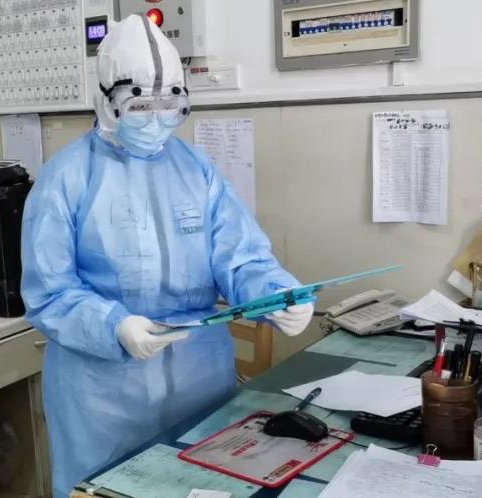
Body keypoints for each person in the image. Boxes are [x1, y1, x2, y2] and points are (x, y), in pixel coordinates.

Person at [20, 14, 314, 497]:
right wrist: (114, 326)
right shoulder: (65, 178)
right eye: (140, 106)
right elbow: (48, 294)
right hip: (103, 390)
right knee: (107, 490)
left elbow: (239, 255)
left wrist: (278, 294)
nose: (156, 120)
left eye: (169, 106)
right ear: (107, 101)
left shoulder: (195, 167)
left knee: (203, 483)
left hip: (200, 376)